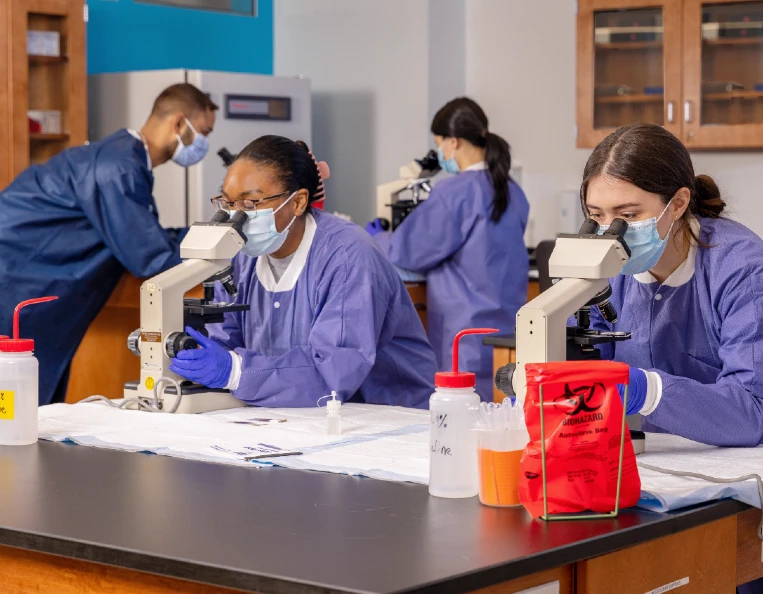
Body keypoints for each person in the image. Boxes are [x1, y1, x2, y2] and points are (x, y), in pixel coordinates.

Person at [579, 123, 763, 594]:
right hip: (665, 474)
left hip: (757, 472)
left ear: (677, 204)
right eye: (597, 215)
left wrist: (646, 390)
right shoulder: (607, 267)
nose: (609, 231)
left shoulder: (740, 265)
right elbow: (588, 355)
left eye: (627, 214)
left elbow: (754, 406)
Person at [168, 136, 437, 408]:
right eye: (228, 204)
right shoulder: (242, 256)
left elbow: (332, 375)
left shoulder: (348, 257)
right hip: (293, 416)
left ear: (297, 202)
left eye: (250, 205)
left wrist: (236, 372)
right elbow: (224, 339)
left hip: (383, 418)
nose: (237, 217)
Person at [0, 83, 218, 405]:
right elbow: (149, 257)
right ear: (179, 124)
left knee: (27, 401)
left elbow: (142, 233)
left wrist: (204, 233)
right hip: (15, 283)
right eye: (204, 132)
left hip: (21, 280)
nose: (205, 144)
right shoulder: (117, 167)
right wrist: (217, 246)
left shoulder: (122, 160)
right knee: (15, 402)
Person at [371, 97, 530, 402]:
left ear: (453, 142)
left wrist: (377, 237)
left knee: (462, 409)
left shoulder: (454, 193)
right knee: (498, 410)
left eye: (440, 144)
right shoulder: (512, 190)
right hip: (506, 328)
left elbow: (407, 251)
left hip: (465, 328)